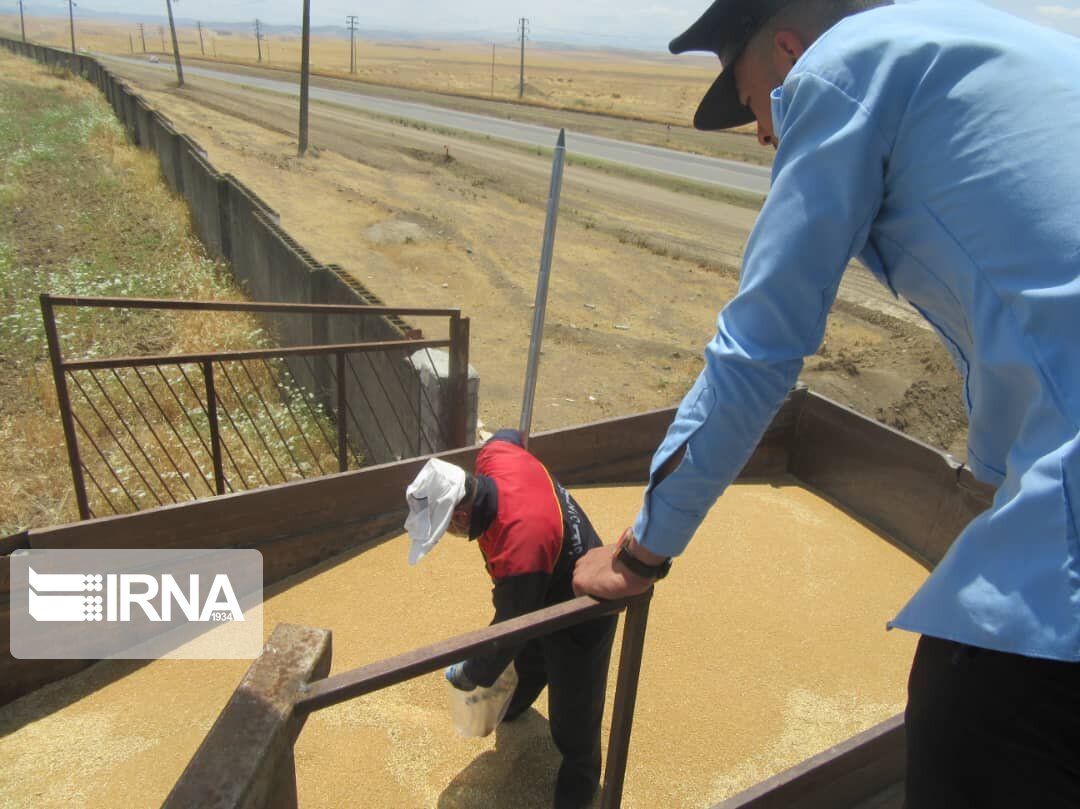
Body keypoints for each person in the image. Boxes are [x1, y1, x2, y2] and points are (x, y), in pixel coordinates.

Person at [571, 1, 1080, 806]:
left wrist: (642, 549)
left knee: (968, 716)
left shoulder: (838, 72)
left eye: (751, 106)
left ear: (786, 51)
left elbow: (759, 349)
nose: (766, 135)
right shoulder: (989, 45)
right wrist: (990, 480)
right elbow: (1022, 318)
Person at [404, 429, 616, 809]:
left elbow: (510, 630)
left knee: (574, 716)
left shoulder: (519, 547)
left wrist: (472, 672)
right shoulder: (495, 455)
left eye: (446, 529)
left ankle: (579, 792)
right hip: (544, 578)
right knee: (531, 659)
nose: (449, 536)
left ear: (463, 514)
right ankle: (513, 707)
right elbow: (510, 435)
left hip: (582, 606)